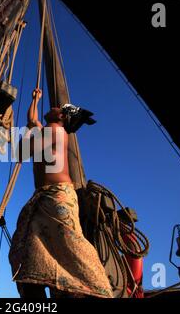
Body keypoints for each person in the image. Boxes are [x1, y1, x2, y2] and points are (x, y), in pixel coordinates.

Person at [9, 89, 113, 298]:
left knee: (71, 247)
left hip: (57, 197)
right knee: (25, 248)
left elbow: (20, 152)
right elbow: (32, 120)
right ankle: (37, 291)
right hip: (46, 197)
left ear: (63, 117)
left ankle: (97, 290)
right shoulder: (49, 130)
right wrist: (35, 100)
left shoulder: (54, 130)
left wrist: (28, 134)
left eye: (59, 109)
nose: (54, 107)